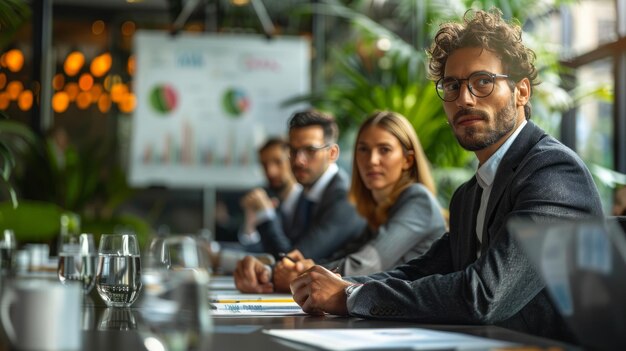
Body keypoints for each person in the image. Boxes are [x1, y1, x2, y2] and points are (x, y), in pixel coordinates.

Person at [289, 9, 603, 344]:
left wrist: (350, 297)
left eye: (483, 81)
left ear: (521, 92)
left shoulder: (553, 172)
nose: (464, 98)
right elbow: (421, 271)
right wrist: (330, 283)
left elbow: (485, 294)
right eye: (452, 85)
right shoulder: (470, 194)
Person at [236, 111, 447, 292]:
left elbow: (367, 263)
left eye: (384, 150)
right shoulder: (378, 208)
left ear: (407, 160)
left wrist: (302, 274)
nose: (371, 160)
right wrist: (269, 272)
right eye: (363, 149)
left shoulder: (417, 200)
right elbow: (343, 256)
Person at [240, 110, 365, 263]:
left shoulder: (346, 199)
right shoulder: (308, 194)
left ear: (332, 153)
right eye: (293, 150)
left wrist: (265, 216)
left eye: (310, 150)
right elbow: (283, 253)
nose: (299, 160)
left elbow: (294, 261)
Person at [210, 138, 302, 273]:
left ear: (293, 161)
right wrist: (250, 221)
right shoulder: (268, 197)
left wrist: (266, 214)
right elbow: (260, 250)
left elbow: (286, 258)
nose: (270, 171)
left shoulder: (307, 203)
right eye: (264, 164)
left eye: (278, 162)